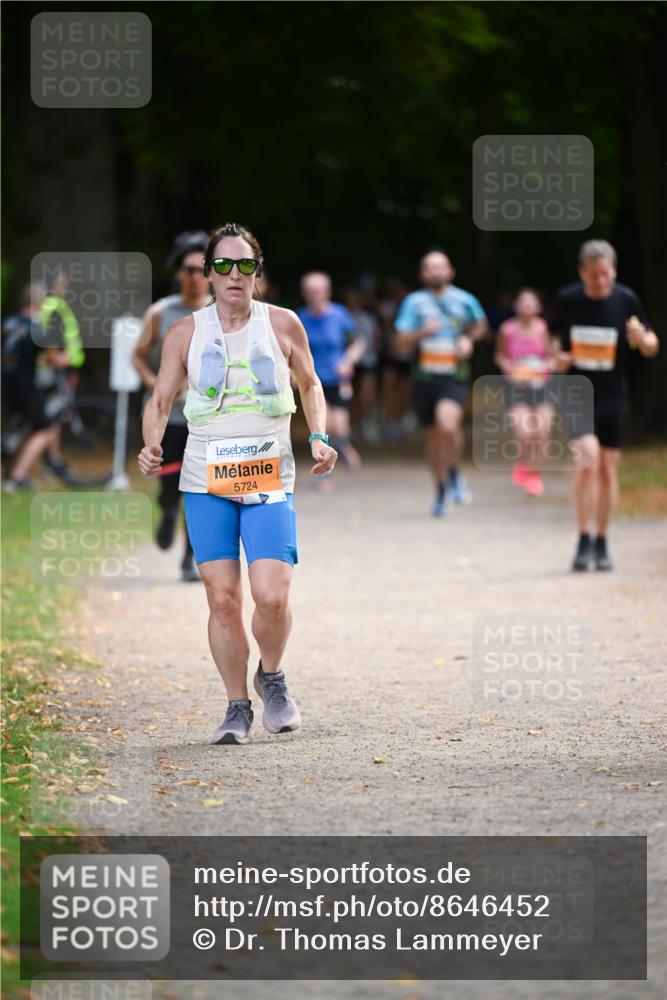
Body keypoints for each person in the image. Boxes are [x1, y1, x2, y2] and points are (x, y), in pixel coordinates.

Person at [137, 223, 337, 745]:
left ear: (257, 272)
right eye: (222, 265)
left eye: (244, 265)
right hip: (206, 479)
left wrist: (318, 436)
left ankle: (271, 675)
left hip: (269, 475)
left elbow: (310, 383)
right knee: (222, 598)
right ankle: (236, 705)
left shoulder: (283, 323)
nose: (234, 274)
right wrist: (152, 444)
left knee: (271, 596)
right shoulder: (185, 332)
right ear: (208, 273)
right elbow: (160, 399)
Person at [549, 240, 659, 571]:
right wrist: (557, 357)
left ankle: (602, 539)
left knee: (608, 469)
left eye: (606, 274)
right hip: (577, 392)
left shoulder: (625, 300)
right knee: (587, 460)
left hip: (613, 395)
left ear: (614, 271)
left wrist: (642, 340)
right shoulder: (567, 300)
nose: (600, 281)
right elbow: (550, 339)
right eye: (594, 275)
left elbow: (652, 344)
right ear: (582, 272)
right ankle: (583, 539)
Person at [133, 232, 210, 582]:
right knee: (171, 488)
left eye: (201, 269)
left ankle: (189, 559)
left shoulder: (220, 312)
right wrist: (157, 384)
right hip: (169, 418)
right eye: (188, 269)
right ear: (178, 272)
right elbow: (137, 356)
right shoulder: (160, 313)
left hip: (206, 419)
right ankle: (166, 512)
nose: (195, 276)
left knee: (201, 490)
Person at [394, 250, 488, 516]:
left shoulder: (464, 299)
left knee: (448, 424)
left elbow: (481, 325)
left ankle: (455, 472)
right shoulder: (414, 303)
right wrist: (422, 332)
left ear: (451, 271)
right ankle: (440, 488)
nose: (436, 272)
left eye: (441, 267)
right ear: (423, 273)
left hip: (454, 374)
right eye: (430, 268)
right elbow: (400, 343)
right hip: (424, 377)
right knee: (434, 434)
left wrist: (468, 339)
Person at [2, 282, 72, 491]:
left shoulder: (9, 322)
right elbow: (54, 358)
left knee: (15, 429)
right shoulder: (38, 326)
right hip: (25, 385)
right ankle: (16, 478)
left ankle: (8, 472)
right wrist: (66, 358)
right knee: (44, 428)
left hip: (4, 382)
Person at [298, 271, 365, 484]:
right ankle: (323, 474)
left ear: (327, 292)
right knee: (323, 424)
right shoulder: (300, 318)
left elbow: (358, 342)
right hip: (313, 380)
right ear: (304, 294)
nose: (315, 295)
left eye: (319, 291)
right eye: (311, 291)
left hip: (338, 378)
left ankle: (343, 446)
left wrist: (348, 360)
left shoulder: (340, 315)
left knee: (340, 426)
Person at [495, 288, 555, 496]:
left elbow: (551, 355)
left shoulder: (544, 328)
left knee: (542, 431)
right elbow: (500, 356)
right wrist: (507, 368)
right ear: (516, 306)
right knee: (525, 432)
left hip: (542, 385)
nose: (527, 306)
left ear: (538, 307)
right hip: (517, 387)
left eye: (531, 303)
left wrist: (547, 365)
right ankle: (522, 461)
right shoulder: (507, 329)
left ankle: (535, 475)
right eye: (523, 302)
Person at [344, 287, 381, 443]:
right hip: (348, 363)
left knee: (367, 394)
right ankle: (352, 425)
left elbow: (376, 337)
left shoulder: (368, 318)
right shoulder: (343, 316)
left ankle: (368, 422)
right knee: (351, 396)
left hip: (368, 360)